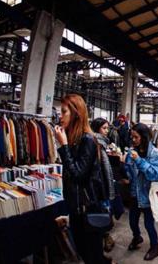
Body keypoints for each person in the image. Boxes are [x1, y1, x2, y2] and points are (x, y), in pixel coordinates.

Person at [54, 94, 109, 264]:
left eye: (64, 112)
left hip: (87, 208)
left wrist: (63, 147)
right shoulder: (74, 140)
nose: (60, 116)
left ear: (76, 114)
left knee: (92, 255)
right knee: (84, 253)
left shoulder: (88, 140)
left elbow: (78, 174)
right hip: (76, 208)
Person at [124, 123, 158, 261]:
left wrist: (138, 160)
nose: (133, 140)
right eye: (132, 137)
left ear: (144, 137)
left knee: (148, 223)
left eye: (136, 137)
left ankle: (155, 247)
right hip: (134, 193)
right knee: (132, 221)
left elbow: (155, 174)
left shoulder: (154, 153)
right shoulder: (132, 150)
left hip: (147, 194)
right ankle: (137, 237)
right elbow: (129, 171)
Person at [91, 118, 117, 253]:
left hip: (102, 184)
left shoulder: (102, 143)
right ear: (96, 129)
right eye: (104, 128)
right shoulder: (95, 143)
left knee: (104, 213)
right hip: (99, 185)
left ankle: (104, 238)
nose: (107, 131)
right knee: (101, 214)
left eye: (107, 128)